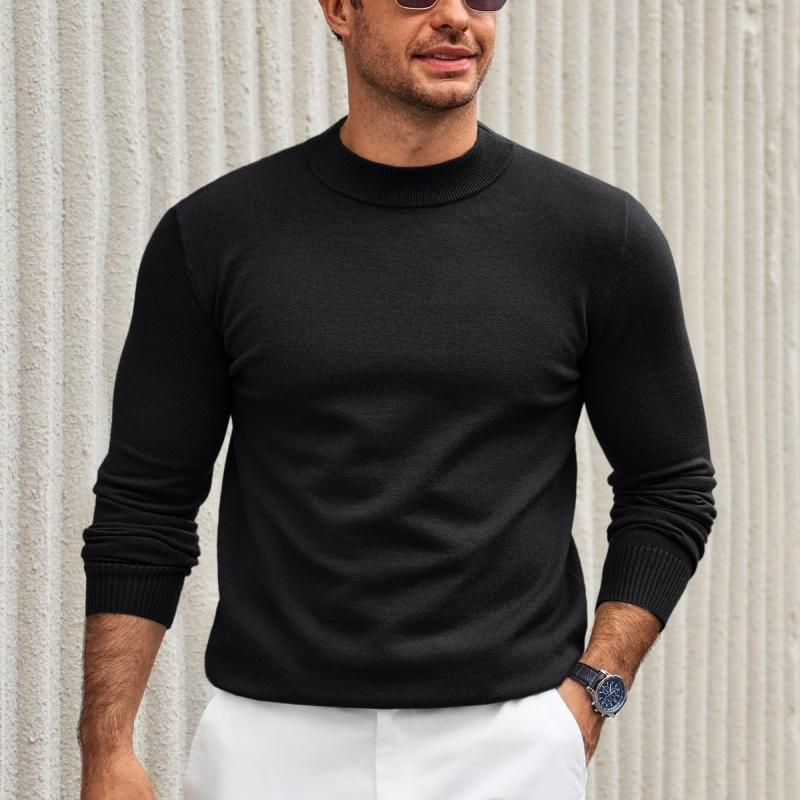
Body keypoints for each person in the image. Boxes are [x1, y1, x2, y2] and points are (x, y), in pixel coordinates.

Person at [77, 1, 717, 798]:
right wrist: (107, 747)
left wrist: (595, 691)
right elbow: (146, 504)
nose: (455, 17)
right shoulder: (215, 236)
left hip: (509, 745)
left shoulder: (598, 237)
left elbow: (670, 486)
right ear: (340, 9)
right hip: (272, 748)